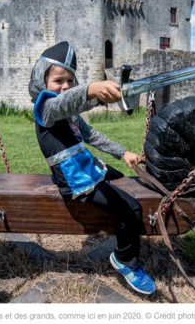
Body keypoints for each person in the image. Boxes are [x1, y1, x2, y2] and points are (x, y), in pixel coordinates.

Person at [28, 41, 156, 295]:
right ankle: (126, 260)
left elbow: (92, 135)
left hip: (88, 166)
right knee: (131, 209)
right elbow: (67, 102)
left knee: (120, 178)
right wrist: (92, 90)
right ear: (42, 82)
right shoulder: (46, 108)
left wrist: (123, 153)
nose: (64, 86)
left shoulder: (70, 115)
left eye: (69, 81)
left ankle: (123, 233)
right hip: (75, 179)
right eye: (58, 80)